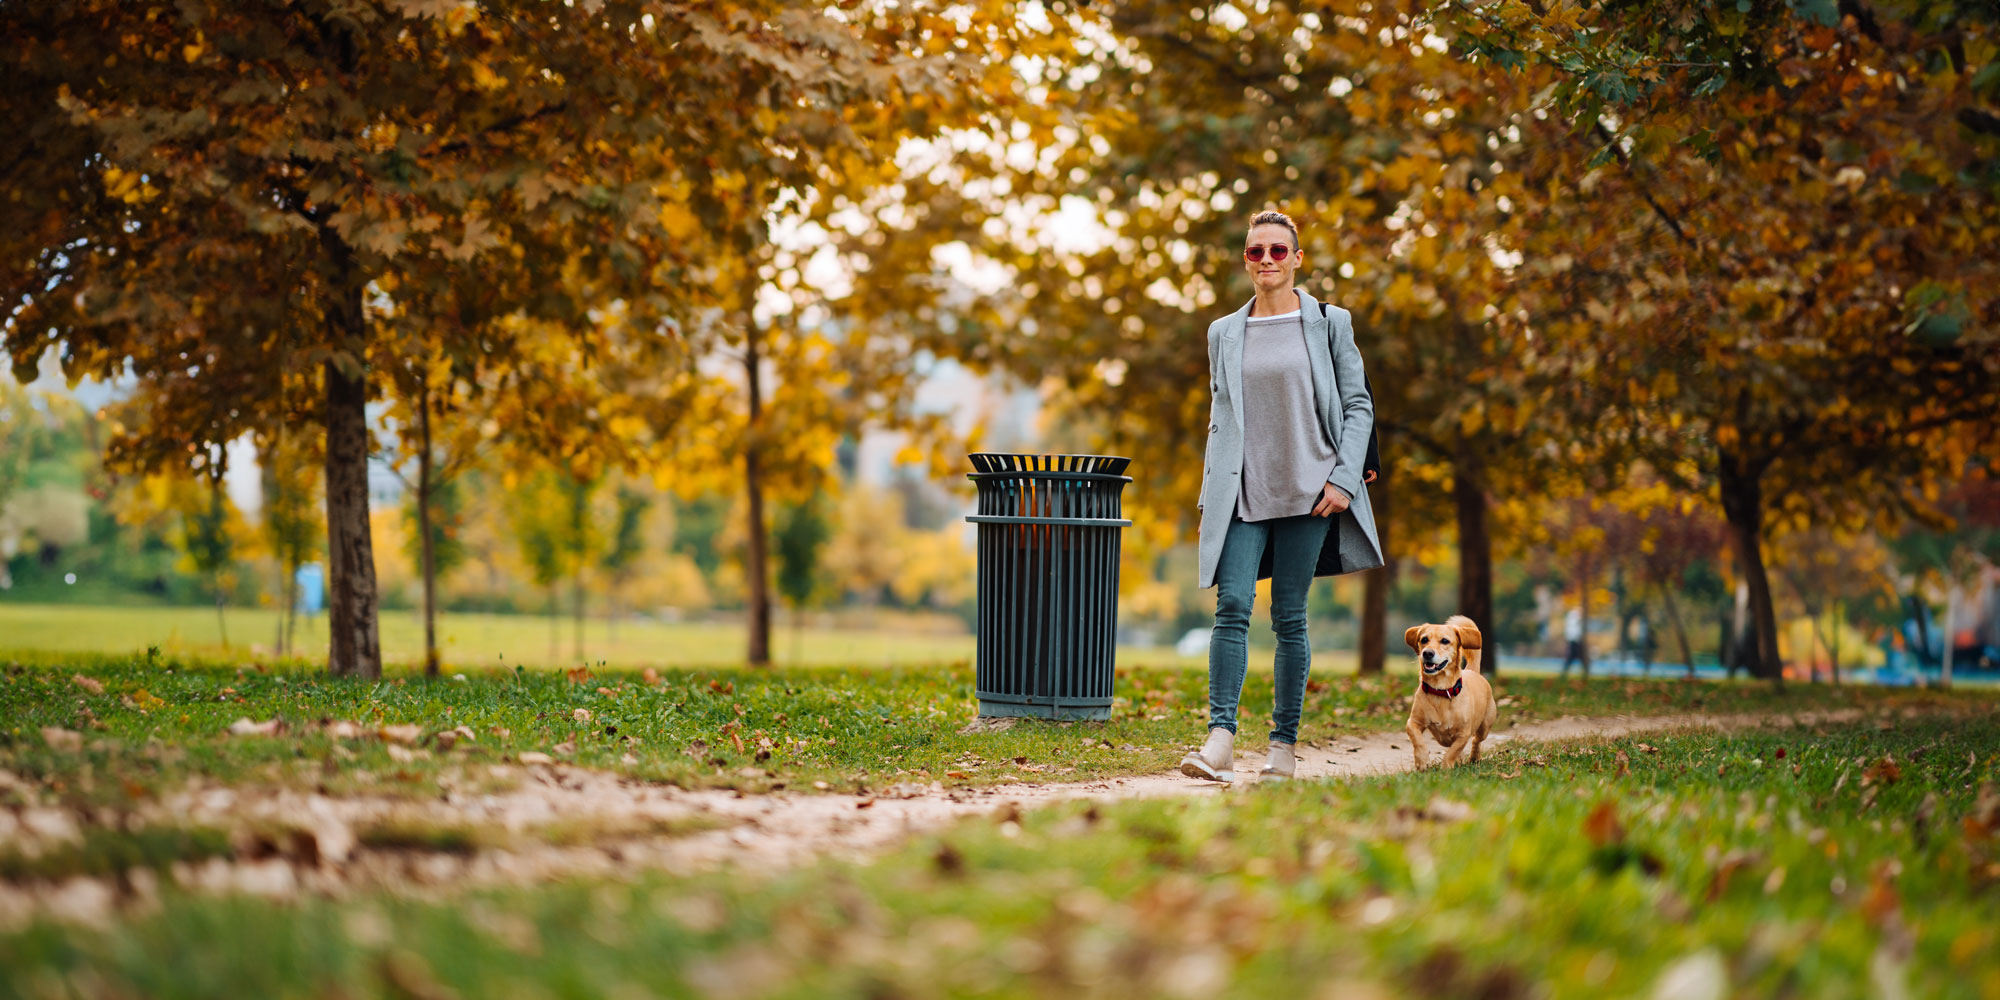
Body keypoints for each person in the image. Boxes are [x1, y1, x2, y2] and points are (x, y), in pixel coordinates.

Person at [1180, 210, 1383, 783]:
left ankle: (1282, 747)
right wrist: (1212, 490)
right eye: (1255, 251)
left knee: (1289, 616)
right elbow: (1222, 417)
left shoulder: (1329, 322)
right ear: (1246, 260)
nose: (1266, 259)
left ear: (1296, 259)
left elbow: (1358, 404)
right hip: (1243, 492)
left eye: (1277, 250)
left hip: (1309, 492)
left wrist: (1344, 480)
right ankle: (1220, 740)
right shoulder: (1223, 332)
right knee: (1232, 606)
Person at [1559, 605, 1585, 676]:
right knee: (1574, 656)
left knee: (1574, 656)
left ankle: (1565, 671)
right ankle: (1566, 671)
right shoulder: (1574, 618)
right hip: (1574, 640)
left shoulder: (1572, 618)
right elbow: (1574, 631)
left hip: (1574, 640)